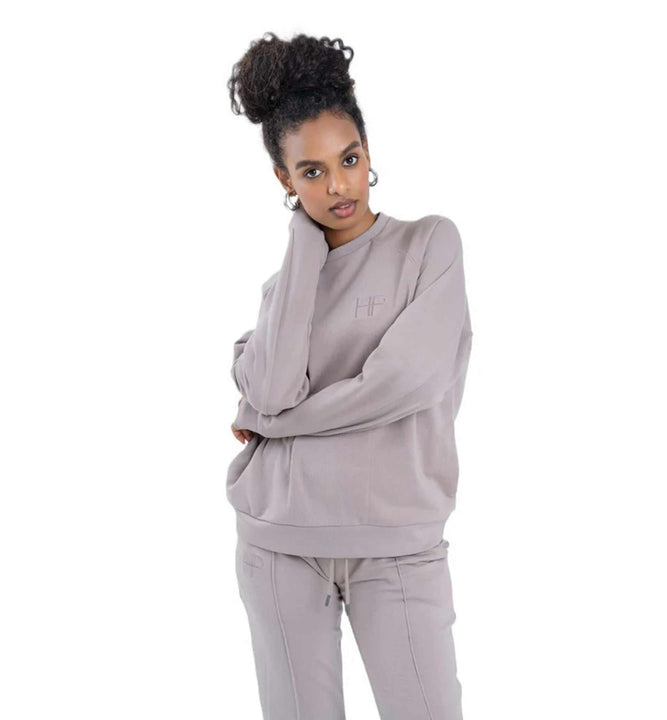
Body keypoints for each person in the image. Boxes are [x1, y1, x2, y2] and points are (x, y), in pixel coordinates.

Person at [225, 31, 473, 720]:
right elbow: (270, 385)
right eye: (311, 171)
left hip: (398, 546)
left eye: (350, 159)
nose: (338, 185)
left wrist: (273, 424)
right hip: (278, 543)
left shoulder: (429, 245)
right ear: (285, 180)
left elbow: (406, 382)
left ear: (368, 151)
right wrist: (304, 244)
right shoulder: (283, 288)